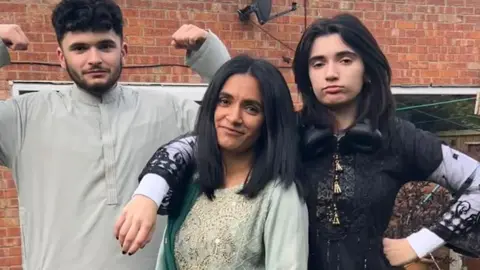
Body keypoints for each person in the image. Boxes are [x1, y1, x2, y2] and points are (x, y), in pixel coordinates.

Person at [116, 13, 480, 269]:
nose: (331, 73)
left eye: (345, 59)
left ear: (366, 68)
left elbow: (476, 183)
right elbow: (197, 142)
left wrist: (418, 243)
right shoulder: (290, 131)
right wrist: (147, 195)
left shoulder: (397, 137)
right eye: (318, 63)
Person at [0, 0, 230, 269]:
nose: (94, 58)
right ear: (61, 57)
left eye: (105, 46)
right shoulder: (21, 118)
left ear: (124, 51)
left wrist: (212, 58)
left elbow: (248, 123)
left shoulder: (170, 111)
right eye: (80, 48)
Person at [154, 54, 308, 269]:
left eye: (251, 108)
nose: (234, 117)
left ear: (270, 121)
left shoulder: (279, 194)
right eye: (225, 101)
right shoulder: (192, 183)